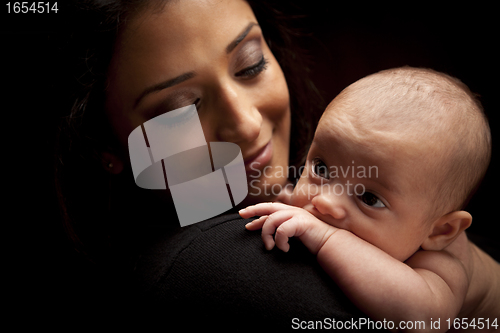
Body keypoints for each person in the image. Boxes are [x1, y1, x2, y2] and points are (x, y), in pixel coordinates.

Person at [54, 0, 368, 329]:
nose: (247, 125)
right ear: (103, 145)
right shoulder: (212, 272)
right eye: (183, 107)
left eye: (251, 64)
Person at [241, 67, 500, 331]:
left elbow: (422, 319)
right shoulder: (404, 212)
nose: (325, 202)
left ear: (440, 230)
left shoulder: (444, 260)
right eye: (321, 169)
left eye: (368, 198)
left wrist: (326, 238)